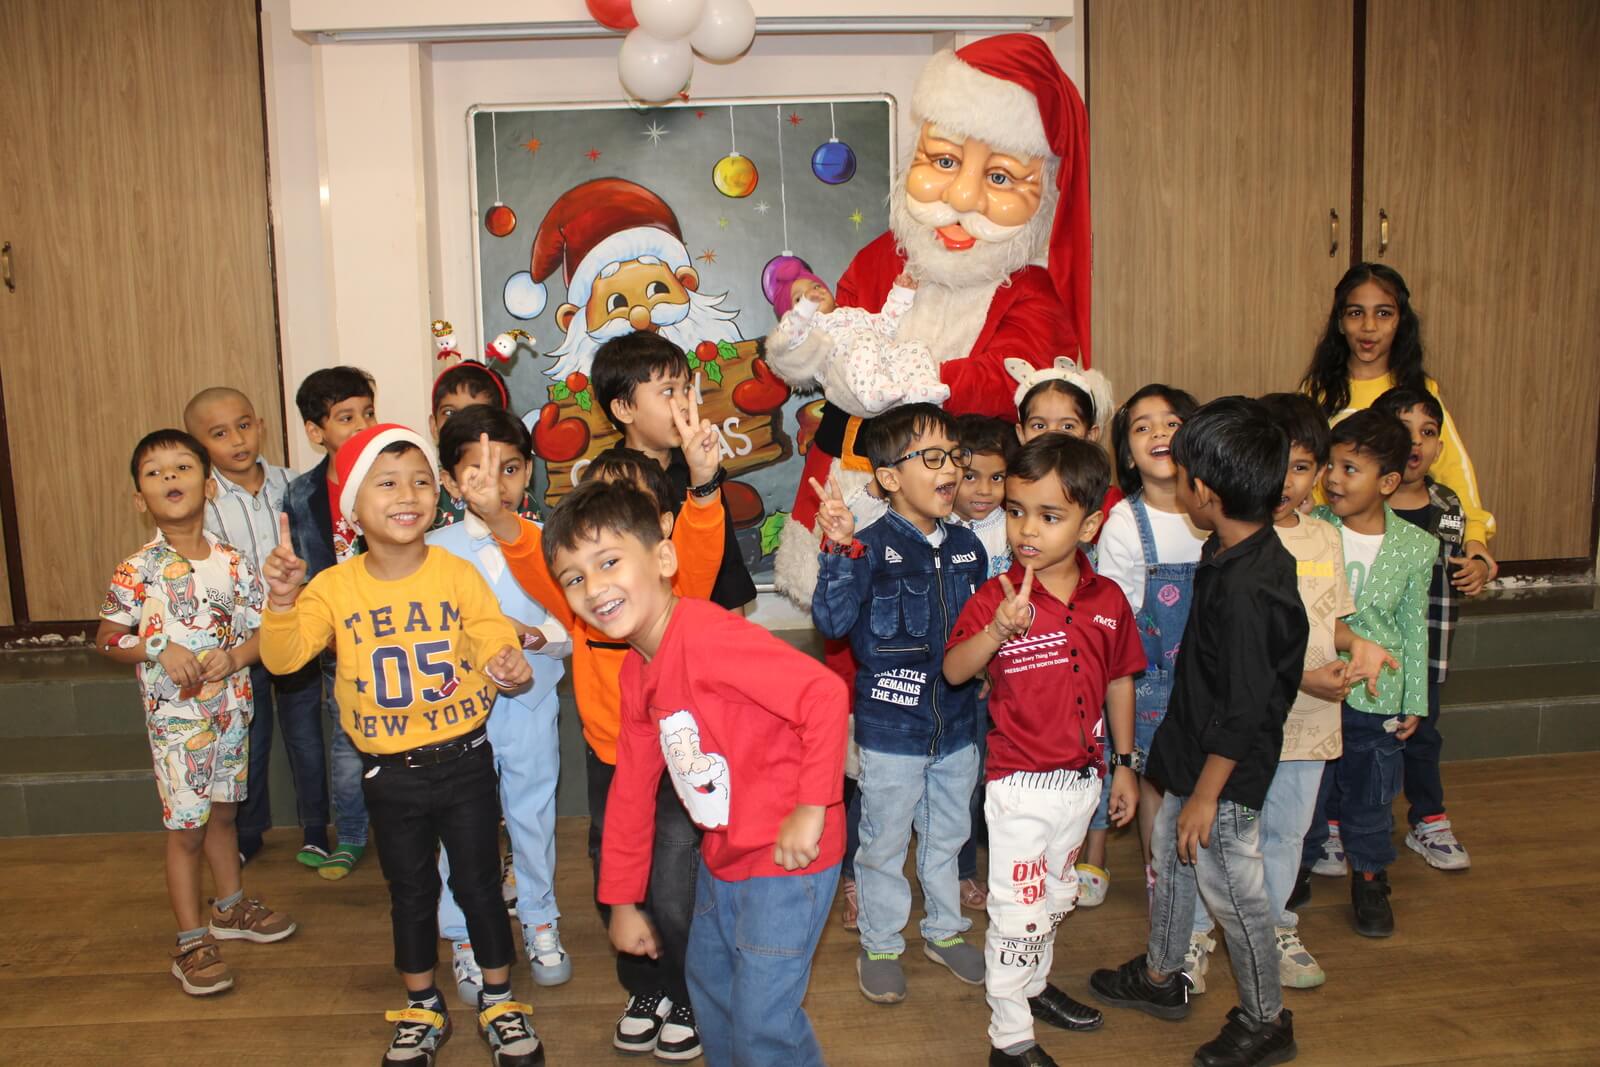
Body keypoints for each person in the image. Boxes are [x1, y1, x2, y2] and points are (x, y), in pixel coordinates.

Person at [769, 33, 1092, 609]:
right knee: (849, 625)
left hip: (964, 505)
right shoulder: (882, 258)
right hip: (851, 484)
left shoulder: (1030, 290)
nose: (962, 196)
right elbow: (834, 345)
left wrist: (901, 377)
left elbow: (1012, 383)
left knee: (958, 629)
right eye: (944, 162)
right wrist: (807, 339)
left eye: (999, 177)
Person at [259, 424, 543, 1067]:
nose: (407, 495)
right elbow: (284, 659)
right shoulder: (333, 588)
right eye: (386, 483)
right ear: (353, 508)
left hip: (466, 761)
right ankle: (422, 1005)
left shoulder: (456, 573)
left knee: (479, 885)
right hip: (390, 772)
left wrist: (505, 661)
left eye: (419, 481)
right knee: (410, 891)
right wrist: (280, 601)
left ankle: (499, 999)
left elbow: (489, 633)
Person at [542, 478, 848, 1067]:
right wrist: (622, 901)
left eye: (608, 562)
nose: (594, 587)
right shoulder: (636, 672)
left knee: (763, 1021)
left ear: (663, 558)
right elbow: (631, 793)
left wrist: (811, 808)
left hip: (790, 857)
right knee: (710, 993)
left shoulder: (709, 637)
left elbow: (824, 696)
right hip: (725, 855)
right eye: (574, 578)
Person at [483, 404, 729, 1060]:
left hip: (677, 762)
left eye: (629, 513)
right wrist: (496, 512)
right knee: (616, 875)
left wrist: (704, 483)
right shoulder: (584, 598)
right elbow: (533, 555)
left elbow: (702, 538)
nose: (605, 548)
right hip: (611, 758)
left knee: (673, 883)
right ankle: (644, 986)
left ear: (661, 535)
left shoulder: (681, 578)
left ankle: (687, 989)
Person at [1089, 397, 1308, 1067]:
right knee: (1170, 850)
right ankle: (1162, 973)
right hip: (1192, 746)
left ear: (1204, 492)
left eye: (1184, 473)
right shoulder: (1230, 548)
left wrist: (1208, 795)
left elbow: (1245, 707)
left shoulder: (1251, 587)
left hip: (1227, 771)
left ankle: (1266, 1019)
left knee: (1233, 891)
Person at [943, 434, 1145, 1067]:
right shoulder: (995, 596)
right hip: (1019, 785)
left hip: (1082, 783)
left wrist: (1124, 766)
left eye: (1049, 515)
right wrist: (996, 630)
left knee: (1055, 898)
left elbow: (1119, 681)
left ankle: (1032, 987)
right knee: (1017, 911)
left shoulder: (1108, 600)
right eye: (1016, 510)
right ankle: (1009, 1037)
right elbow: (954, 670)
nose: (1027, 529)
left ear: (1089, 526)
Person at [1187, 394, 1394, 993]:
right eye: (1275, 464)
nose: (1285, 482)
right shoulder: (1231, 543)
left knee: (1286, 832)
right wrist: (1301, 676)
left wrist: (1360, 646)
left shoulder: (1326, 538)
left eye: (1301, 467)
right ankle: (1196, 932)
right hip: (1248, 724)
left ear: (1320, 471)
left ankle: (1274, 925)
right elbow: (1238, 654)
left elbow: (1332, 623)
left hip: (1311, 720)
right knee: (1222, 832)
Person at [97, 429, 296, 997]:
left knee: (226, 815)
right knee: (187, 830)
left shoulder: (234, 563)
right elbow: (107, 638)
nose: (169, 477)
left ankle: (229, 909)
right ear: (140, 499)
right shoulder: (138, 569)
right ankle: (190, 941)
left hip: (232, 713)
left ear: (207, 486)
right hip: (177, 726)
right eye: (154, 473)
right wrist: (158, 647)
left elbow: (262, 634)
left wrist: (235, 657)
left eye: (181, 467)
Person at [811, 403, 989, 1004]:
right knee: (884, 841)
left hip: (958, 726)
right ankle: (883, 942)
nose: (950, 470)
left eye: (955, 456)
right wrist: (837, 551)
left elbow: (976, 631)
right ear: (889, 476)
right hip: (890, 729)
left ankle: (944, 930)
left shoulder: (968, 548)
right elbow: (833, 622)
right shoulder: (866, 548)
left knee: (948, 835)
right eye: (931, 458)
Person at [429, 407, 575, 1001]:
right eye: (477, 473)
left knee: (532, 816)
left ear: (529, 469)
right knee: (459, 826)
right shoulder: (433, 551)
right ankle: (463, 932)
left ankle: (540, 918)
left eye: (510, 469)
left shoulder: (550, 541)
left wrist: (534, 637)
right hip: (456, 713)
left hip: (532, 703)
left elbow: (575, 623)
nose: (497, 484)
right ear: (449, 481)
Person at [184, 386, 328, 868]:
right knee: (250, 736)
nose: (237, 440)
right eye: (219, 434)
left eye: (244, 426)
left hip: (295, 632)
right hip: (240, 643)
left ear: (260, 425)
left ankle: (315, 828)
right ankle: (248, 832)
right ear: (201, 445)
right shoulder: (203, 501)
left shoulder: (294, 485)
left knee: (305, 734)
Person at [1080, 385, 1203, 917]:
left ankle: (1205, 882)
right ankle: (1161, 880)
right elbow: (1115, 618)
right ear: (1128, 455)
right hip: (1151, 679)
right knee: (1156, 784)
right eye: (1142, 426)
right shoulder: (1126, 524)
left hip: (1210, 673)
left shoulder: (1216, 508)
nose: (1159, 432)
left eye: (1172, 422)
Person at [1311, 409, 1435, 937]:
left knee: (1372, 794)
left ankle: (1368, 877)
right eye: (1330, 465)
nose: (1333, 479)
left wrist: (1415, 700)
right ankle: (1295, 869)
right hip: (1315, 688)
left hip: (1379, 694)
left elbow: (1414, 627)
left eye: (1349, 469)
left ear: (1387, 482)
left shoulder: (1416, 546)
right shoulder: (1313, 528)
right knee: (1308, 791)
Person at [1299, 262, 1497, 578]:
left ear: (1400, 322)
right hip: (1331, 547)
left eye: (1383, 313)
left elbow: (1454, 470)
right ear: (1340, 322)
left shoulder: (1420, 392)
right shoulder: (1318, 394)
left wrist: (1475, 536)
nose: (1368, 327)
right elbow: (1300, 470)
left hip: (1400, 555)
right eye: (1356, 313)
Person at [1373, 386, 1481, 869]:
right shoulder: (1364, 501)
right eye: (1403, 430)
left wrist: (1476, 568)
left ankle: (1429, 819)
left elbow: (1460, 561)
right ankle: (1339, 822)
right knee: (1361, 738)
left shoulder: (1447, 503)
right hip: (1368, 650)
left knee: (1422, 736)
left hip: (1426, 649)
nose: (1415, 441)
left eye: (1428, 431)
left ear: (1438, 446)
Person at [283, 366, 378, 879]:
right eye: (346, 417)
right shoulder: (301, 494)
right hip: (339, 644)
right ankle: (353, 833)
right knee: (346, 746)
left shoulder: (389, 476)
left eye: (368, 413)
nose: (361, 425)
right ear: (315, 431)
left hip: (397, 633)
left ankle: (415, 829)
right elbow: (303, 571)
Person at [592, 331, 757, 611]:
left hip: (704, 622)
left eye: (686, 389)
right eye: (668, 391)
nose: (682, 403)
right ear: (623, 408)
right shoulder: (605, 479)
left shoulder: (700, 470)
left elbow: (726, 565)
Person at [949, 413, 1018, 912]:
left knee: (978, 778)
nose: (984, 490)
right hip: (946, 667)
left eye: (997, 477)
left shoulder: (1011, 527)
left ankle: (967, 868)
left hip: (993, 675)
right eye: (970, 476)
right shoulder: (939, 525)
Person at [764, 270, 950, 411]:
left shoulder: (854, 314)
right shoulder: (809, 332)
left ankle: (922, 387)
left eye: (816, 287)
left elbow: (885, 326)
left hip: (881, 358)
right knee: (864, 340)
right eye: (799, 298)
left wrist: (901, 294)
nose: (812, 293)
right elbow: (787, 338)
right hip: (847, 374)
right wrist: (805, 308)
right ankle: (873, 392)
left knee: (914, 346)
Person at [427, 359, 540, 529]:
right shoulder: (427, 489)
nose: (463, 422)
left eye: (477, 413)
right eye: (449, 412)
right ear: (434, 426)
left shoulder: (520, 499)